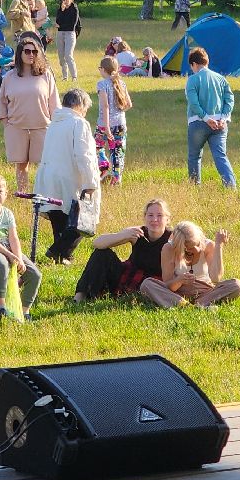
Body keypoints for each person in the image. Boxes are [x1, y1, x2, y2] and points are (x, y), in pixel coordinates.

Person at [33, 88, 101, 267]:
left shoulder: (54, 123)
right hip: (68, 179)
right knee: (81, 222)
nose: (85, 113)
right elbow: (83, 154)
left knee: (59, 220)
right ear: (79, 105)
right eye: (85, 108)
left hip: (48, 178)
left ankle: (61, 258)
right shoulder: (79, 123)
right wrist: (90, 182)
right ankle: (57, 251)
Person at [0, 33, 59, 194]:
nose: (31, 54)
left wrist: (56, 124)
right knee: (21, 164)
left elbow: (54, 103)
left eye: (35, 51)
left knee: (45, 163)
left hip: (42, 127)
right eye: (27, 51)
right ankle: (22, 192)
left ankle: (43, 193)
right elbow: (2, 102)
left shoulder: (46, 75)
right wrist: (6, 123)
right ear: (20, 53)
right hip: (16, 127)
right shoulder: (9, 77)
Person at [74, 198, 171, 302]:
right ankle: (80, 296)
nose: (154, 219)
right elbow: (97, 243)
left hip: (152, 285)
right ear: (145, 217)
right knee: (101, 253)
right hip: (128, 279)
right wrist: (123, 235)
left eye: (159, 215)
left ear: (167, 219)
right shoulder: (138, 233)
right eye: (150, 215)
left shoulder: (173, 237)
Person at [0, 174, 41, 320]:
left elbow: (13, 238)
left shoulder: (8, 213)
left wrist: (19, 258)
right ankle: (1, 307)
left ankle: (23, 311)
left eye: (0, 191)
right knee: (2, 264)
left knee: (35, 274)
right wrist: (10, 256)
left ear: (6, 194)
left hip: (8, 247)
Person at [139, 222, 240, 308]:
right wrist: (180, 280)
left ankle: (193, 305)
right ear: (181, 247)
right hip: (178, 293)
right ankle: (190, 306)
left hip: (206, 292)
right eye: (190, 248)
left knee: (236, 285)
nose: (197, 249)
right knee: (146, 284)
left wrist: (219, 246)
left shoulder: (209, 246)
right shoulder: (169, 249)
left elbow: (216, 278)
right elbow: (168, 286)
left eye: (198, 244)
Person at [184, 47, 236, 188]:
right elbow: (229, 99)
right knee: (221, 156)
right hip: (220, 124)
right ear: (206, 62)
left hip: (198, 123)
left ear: (194, 64)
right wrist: (224, 117)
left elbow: (194, 104)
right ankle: (231, 186)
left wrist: (206, 118)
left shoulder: (193, 80)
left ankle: (195, 187)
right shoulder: (221, 79)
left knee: (194, 157)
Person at [95, 55, 131, 185]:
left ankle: (103, 167)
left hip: (104, 124)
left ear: (104, 69)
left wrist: (107, 127)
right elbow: (129, 104)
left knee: (96, 147)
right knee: (117, 152)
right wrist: (119, 112)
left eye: (100, 68)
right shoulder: (122, 83)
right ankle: (116, 179)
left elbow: (105, 106)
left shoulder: (101, 84)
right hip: (121, 124)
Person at [55, 0, 81, 81]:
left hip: (70, 33)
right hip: (60, 34)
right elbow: (57, 21)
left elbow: (72, 25)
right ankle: (65, 77)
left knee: (68, 55)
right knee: (61, 56)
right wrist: (62, 11)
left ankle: (74, 76)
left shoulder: (74, 9)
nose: (65, 1)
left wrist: (61, 26)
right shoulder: (60, 9)